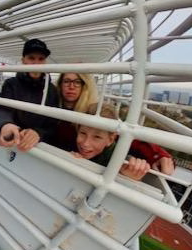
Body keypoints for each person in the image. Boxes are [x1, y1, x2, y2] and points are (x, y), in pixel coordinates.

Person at [47, 72, 175, 175]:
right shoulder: (50, 105)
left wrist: (158, 155)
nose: (71, 86)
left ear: (85, 86)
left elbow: (125, 136)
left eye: (77, 82)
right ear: (60, 84)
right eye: (67, 81)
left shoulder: (93, 112)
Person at [0, 38, 59, 152]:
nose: (36, 63)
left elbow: (52, 124)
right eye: (31, 58)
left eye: (41, 59)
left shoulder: (52, 90)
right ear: (23, 60)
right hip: (14, 142)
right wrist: (5, 124)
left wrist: (39, 133)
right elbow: (4, 110)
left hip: (38, 148)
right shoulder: (11, 84)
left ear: (45, 62)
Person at [72, 103, 167, 180]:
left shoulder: (122, 162)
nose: (85, 143)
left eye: (97, 137)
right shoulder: (72, 144)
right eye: (83, 133)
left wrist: (130, 178)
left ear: (110, 139)